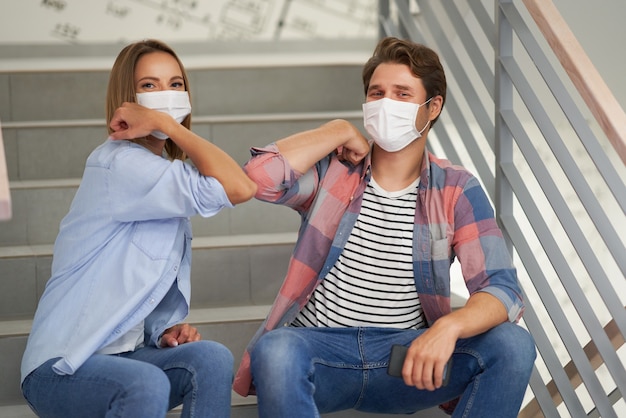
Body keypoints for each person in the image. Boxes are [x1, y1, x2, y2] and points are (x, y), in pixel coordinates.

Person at [233, 37, 536, 417]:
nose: (385, 104)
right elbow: (259, 179)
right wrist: (339, 129)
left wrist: (448, 328)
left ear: (433, 107)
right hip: (320, 354)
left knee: (513, 344)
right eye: (377, 94)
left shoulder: (456, 189)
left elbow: (503, 290)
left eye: (402, 93)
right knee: (275, 349)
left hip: (401, 361)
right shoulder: (333, 172)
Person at [20, 39, 257, 418]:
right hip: (62, 366)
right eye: (149, 85)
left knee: (210, 358)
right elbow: (240, 187)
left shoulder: (159, 173)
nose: (166, 94)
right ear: (126, 98)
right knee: (146, 383)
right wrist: (166, 123)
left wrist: (161, 332)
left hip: (127, 356)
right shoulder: (120, 165)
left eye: (176, 84)